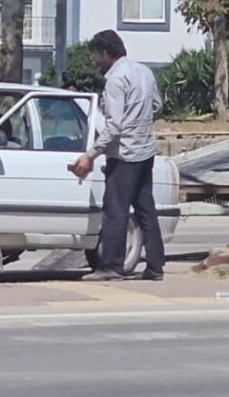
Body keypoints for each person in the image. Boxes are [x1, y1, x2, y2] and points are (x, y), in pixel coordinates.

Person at [70, 30, 165, 282]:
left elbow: (114, 126)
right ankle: (155, 266)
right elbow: (157, 106)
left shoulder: (114, 80)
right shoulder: (144, 71)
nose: (96, 62)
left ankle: (111, 266)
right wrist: (140, 123)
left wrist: (90, 155)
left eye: (97, 57)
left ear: (105, 53)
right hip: (145, 151)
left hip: (124, 155)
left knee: (115, 211)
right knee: (146, 209)